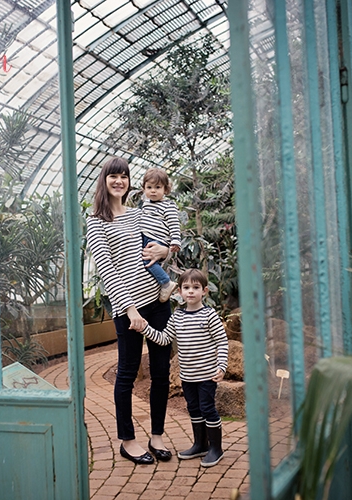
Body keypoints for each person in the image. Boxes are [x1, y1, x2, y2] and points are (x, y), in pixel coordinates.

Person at [85, 157, 174, 465]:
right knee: (127, 374)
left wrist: (166, 250)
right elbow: (106, 270)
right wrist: (130, 309)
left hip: (159, 304)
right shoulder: (96, 220)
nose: (119, 181)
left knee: (161, 373)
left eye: (124, 176)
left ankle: (157, 435)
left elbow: (163, 241)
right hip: (129, 310)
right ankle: (128, 441)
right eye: (114, 176)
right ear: (104, 180)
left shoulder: (139, 214)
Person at [139, 268, 229, 467]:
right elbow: (163, 339)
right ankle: (200, 444)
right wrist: (145, 328)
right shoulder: (177, 317)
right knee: (194, 408)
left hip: (207, 375)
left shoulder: (209, 315)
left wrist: (221, 365)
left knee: (207, 408)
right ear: (179, 291)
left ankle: (216, 448)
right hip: (187, 376)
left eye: (195, 288)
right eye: (186, 287)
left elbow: (222, 342)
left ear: (204, 291)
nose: (190, 292)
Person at [140, 168, 181, 302]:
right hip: (146, 236)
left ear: (165, 189)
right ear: (144, 188)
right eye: (149, 187)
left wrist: (175, 241)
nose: (153, 190)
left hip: (157, 239)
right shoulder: (146, 204)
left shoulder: (168, 206)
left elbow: (174, 224)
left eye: (157, 187)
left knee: (148, 259)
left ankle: (166, 283)